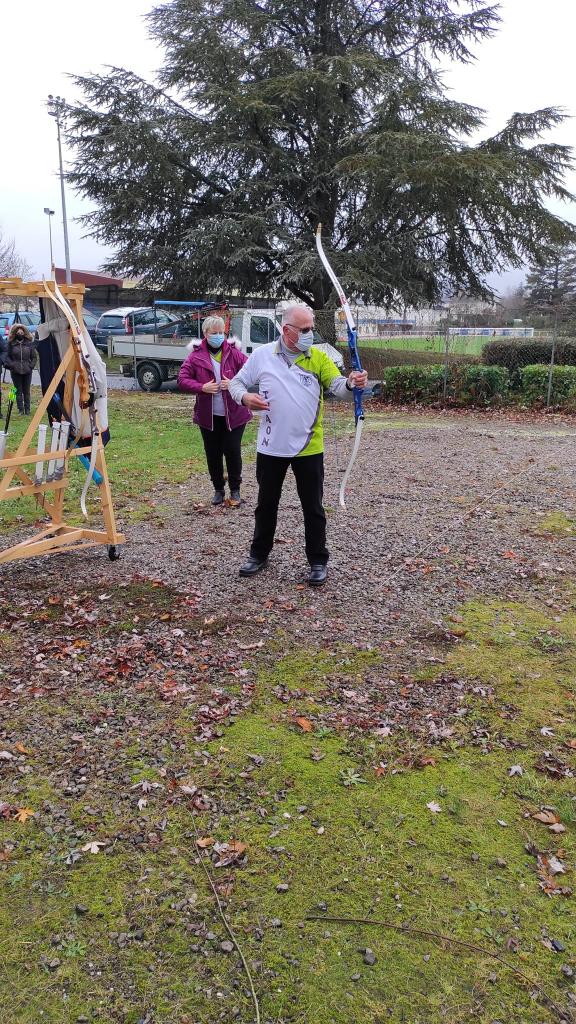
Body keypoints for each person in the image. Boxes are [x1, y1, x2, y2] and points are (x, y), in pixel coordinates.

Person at [228, 302, 368, 586]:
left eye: (312, 328)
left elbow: (339, 387)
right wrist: (245, 398)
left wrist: (353, 383)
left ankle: (318, 560)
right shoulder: (263, 356)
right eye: (304, 329)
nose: (310, 334)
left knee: (313, 507)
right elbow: (235, 383)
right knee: (266, 504)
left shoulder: (317, 357)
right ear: (287, 330)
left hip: (309, 447)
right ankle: (259, 554)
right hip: (271, 446)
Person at [177, 315, 252, 505]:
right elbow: (182, 380)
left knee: (232, 450)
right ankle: (218, 489)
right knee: (213, 453)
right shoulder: (195, 356)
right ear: (205, 334)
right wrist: (202, 387)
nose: (219, 336)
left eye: (221, 333)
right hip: (208, 416)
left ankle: (235, 490)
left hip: (234, 414)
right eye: (214, 333)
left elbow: (252, 371)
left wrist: (234, 383)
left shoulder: (234, 353)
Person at [5, 322, 37, 415]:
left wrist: (31, 366)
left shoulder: (29, 344)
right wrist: (12, 365)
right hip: (15, 371)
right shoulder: (11, 344)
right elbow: (7, 356)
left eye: (22, 333)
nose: (20, 334)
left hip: (27, 371)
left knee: (26, 391)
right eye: (18, 333)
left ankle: (27, 410)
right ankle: (20, 410)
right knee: (18, 391)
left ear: (24, 333)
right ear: (15, 334)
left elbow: (34, 357)